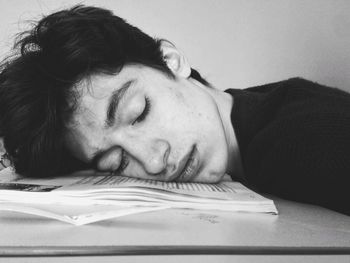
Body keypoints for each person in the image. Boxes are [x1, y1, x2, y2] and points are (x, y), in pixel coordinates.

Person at [0, 5, 349, 215]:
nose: (153, 162)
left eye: (139, 112)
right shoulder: (248, 114)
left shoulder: (305, 138)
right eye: (117, 161)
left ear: (171, 60)